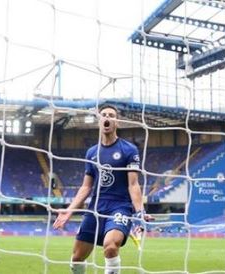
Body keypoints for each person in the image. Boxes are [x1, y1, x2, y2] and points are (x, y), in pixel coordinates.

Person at [53, 104, 151, 274]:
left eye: (111, 115)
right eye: (104, 114)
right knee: (77, 257)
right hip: (96, 208)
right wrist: (69, 211)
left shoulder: (129, 150)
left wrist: (139, 211)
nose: (107, 117)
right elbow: (86, 186)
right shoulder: (92, 152)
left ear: (116, 122)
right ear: (99, 120)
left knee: (111, 246)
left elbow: (133, 184)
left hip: (120, 206)